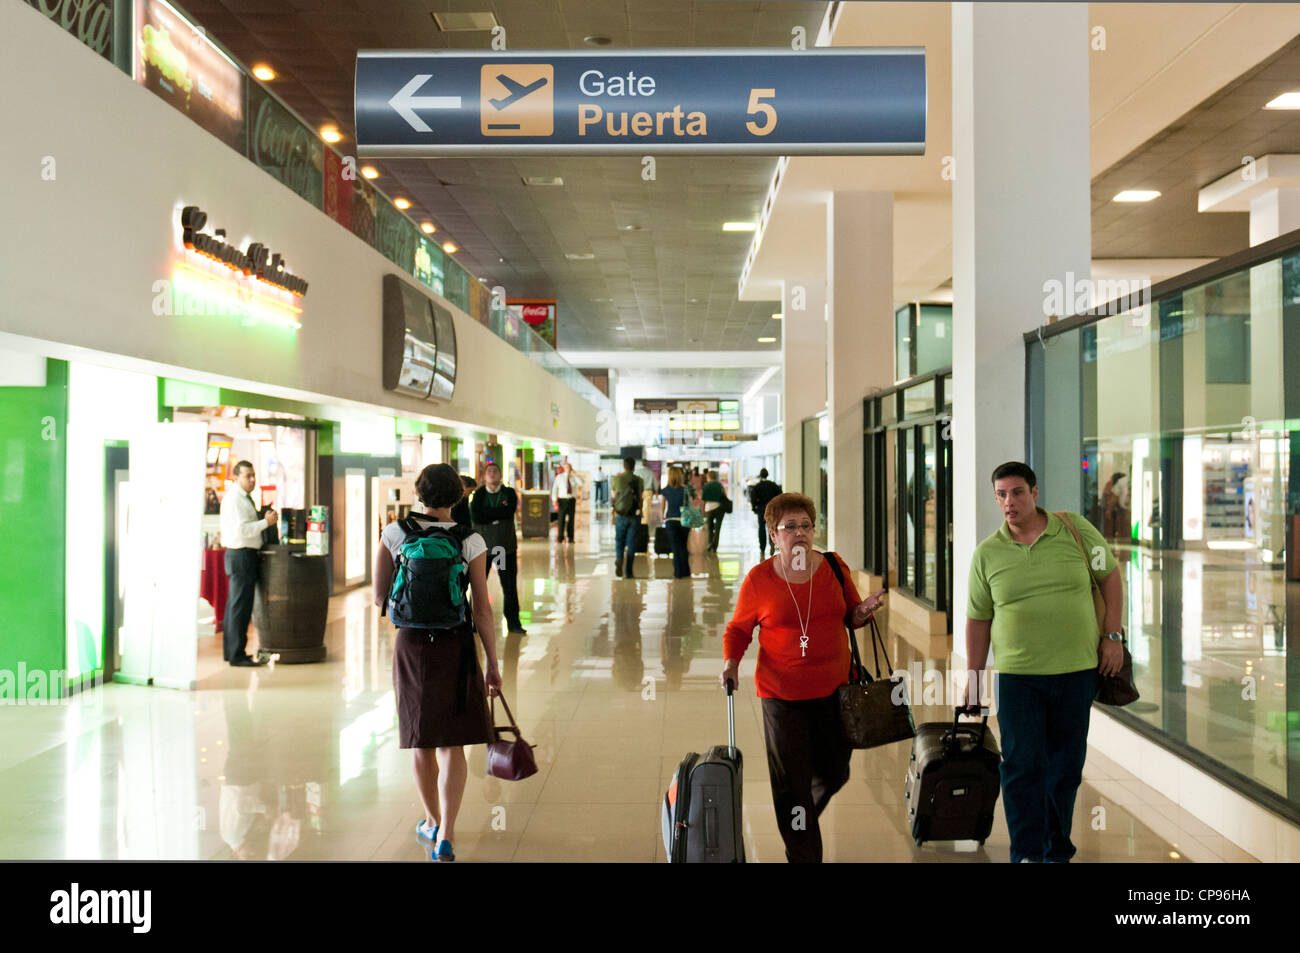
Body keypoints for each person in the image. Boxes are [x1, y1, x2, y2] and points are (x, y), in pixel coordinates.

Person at [965, 461, 1124, 864]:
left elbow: (1110, 577)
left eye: (1017, 492)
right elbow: (978, 618)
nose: (1009, 502)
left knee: (1066, 767)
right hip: (1018, 678)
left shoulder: (1073, 529)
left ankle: (1057, 848)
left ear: (1035, 493)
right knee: (1021, 766)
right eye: (1001, 495)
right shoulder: (988, 553)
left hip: (1077, 671)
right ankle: (1027, 853)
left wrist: (1113, 636)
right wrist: (974, 676)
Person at [720, 492, 885, 863]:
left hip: (835, 690)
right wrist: (731, 662)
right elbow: (739, 629)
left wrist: (865, 611)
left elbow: (852, 615)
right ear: (774, 535)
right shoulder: (759, 579)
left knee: (835, 772)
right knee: (792, 786)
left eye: (806, 525)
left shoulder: (832, 566)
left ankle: (799, 815)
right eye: (789, 527)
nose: (800, 533)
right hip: (782, 696)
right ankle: (802, 851)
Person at [373, 463, 502, 863]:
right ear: (459, 497)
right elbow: (481, 609)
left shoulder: (395, 533)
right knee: (452, 744)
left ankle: (430, 819)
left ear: (419, 493)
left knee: (421, 739)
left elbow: (380, 598)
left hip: (411, 645)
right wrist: (492, 664)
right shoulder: (471, 540)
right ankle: (446, 833)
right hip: (455, 644)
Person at [219, 460, 275, 667]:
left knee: (236, 605)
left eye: (253, 475)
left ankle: (231, 651)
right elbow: (242, 530)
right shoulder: (234, 500)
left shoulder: (244, 498)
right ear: (235, 477)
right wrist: (265, 523)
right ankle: (237, 654)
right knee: (240, 607)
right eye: (247, 476)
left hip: (244, 555)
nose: (252, 480)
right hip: (241, 555)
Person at [470, 462, 525, 635]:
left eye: (495, 471)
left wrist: (489, 514)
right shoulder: (478, 495)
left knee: (509, 587)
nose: (492, 474)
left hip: (504, 548)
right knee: (478, 587)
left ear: (500, 475)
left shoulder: (508, 493)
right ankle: (473, 623)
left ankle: (514, 624)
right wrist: (497, 513)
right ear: (484, 476)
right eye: (489, 472)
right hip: (483, 549)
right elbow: (477, 516)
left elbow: (508, 512)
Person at [610, 457, 644, 578]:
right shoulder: (639, 480)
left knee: (619, 539)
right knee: (631, 543)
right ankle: (629, 571)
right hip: (634, 515)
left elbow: (613, 496)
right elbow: (641, 497)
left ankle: (619, 559)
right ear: (634, 467)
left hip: (620, 514)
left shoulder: (617, 479)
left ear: (624, 466)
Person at [660, 466, 694, 579]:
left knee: (675, 548)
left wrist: (663, 517)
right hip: (684, 521)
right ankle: (686, 571)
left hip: (671, 521)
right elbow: (689, 505)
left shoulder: (665, 490)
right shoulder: (685, 489)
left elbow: (663, 506)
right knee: (684, 547)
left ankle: (678, 572)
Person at [748, 469, 782, 559]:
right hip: (772, 510)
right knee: (771, 527)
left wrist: (753, 508)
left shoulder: (758, 486)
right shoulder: (773, 485)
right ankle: (772, 543)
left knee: (761, 528)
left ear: (760, 475)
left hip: (761, 510)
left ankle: (762, 548)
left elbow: (753, 498)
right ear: (767, 475)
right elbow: (780, 496)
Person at [701, 469, 729, 553]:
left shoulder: (706, 486)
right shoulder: (719, 485)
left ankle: (709, 544)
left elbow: (704, 499)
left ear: (708, 477)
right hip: (719, 508)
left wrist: (703, 511)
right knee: (717, 528)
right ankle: (715, 546)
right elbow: (725, 495)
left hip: (709, 509)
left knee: (710, 528)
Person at [552, 462, 579, 544]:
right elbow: (555, 488)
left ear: (571, 468)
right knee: (561, 519)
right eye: (566, 467)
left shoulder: (573, 477)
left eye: (569, 467)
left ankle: (571, 538)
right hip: (562, 500)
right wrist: (554, 499)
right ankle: (560, 537)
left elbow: (581, 483)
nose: (567, 469)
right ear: (564, 468)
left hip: (571, 500)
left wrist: (575, 475)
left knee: (571, 519)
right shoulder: (559, 477)